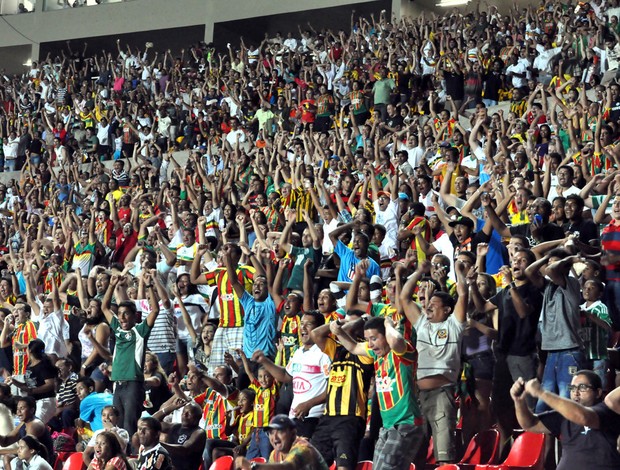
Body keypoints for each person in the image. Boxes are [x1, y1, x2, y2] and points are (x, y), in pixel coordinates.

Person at [330, 316, 424, 470]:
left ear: (386, 334)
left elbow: (394, 341)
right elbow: (353, 347)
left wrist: (388, 324)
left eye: (374, 338)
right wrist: (338, 332)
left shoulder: (403, 351)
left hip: (406, 425)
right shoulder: (376, 354)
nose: (370, 344)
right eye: (367, 339)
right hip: (387, 427)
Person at [510, 371, 620, 470]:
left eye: (582, 387)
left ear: (598, 392)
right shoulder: (563, 416)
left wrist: (542, 393)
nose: (576, 392)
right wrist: (519, 402)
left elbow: (583, 417)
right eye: (572, 388)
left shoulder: (607, 412)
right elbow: (530, 424)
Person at [101, 272, 161, 437]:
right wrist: (112, 285)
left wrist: (149, 284)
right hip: (117, 384)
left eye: (126, 313)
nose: (121, 317)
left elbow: (155, 310)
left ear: (135, 315)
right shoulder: (117, 329)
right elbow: (104, 307)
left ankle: (133, 457)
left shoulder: (140, 331)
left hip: (133, 384)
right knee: (117, 426)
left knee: (129, 424)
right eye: (120, 314)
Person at [234, 415, 329, 470]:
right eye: (271, 432)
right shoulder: (275, 454)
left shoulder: (302, 448)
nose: (274, 437)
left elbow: (288, 467)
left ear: (293, 433)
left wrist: (253, 466)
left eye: (280, 431)